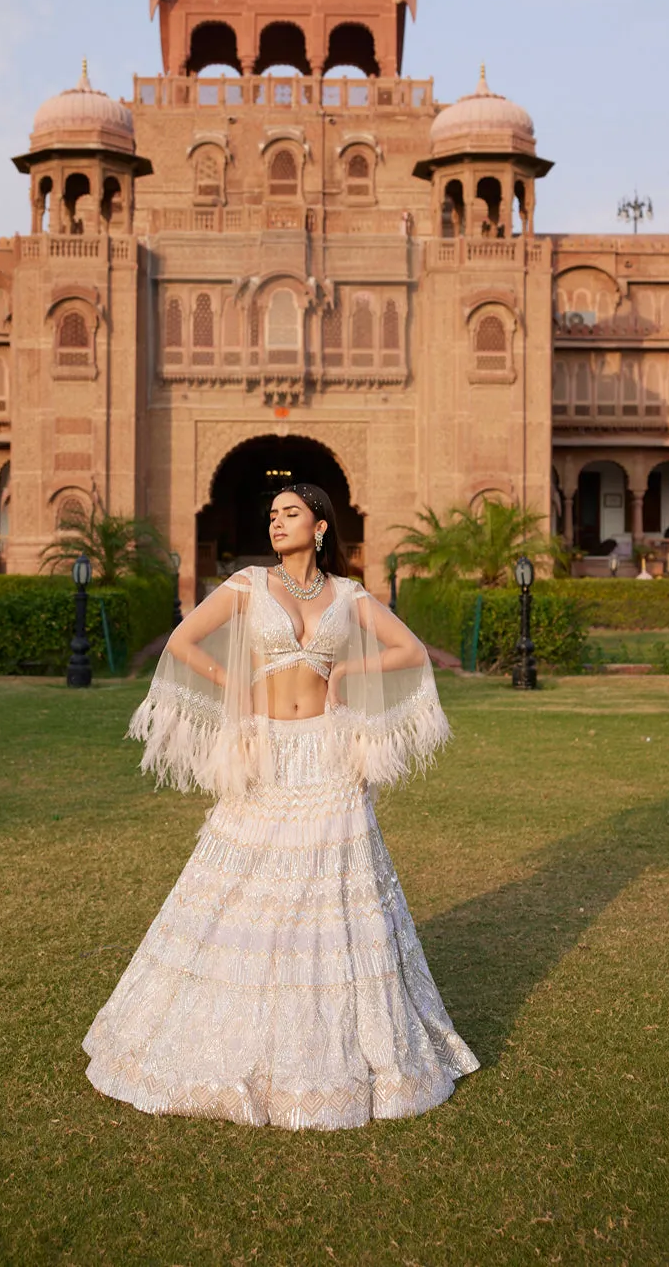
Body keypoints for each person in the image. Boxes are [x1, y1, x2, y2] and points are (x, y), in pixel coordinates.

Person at [83, 482, 480, 1130]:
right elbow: (184, 642)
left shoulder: (347, 596)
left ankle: (341, 1049)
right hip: (268, 751)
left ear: (320, 526)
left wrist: (348, 677)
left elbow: (407, 650)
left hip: (327, 754)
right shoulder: (246, 586)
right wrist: (231, 681)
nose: (276, 522)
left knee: (332, 890)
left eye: (289, 513)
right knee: (245, 885)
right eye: (271, 514)